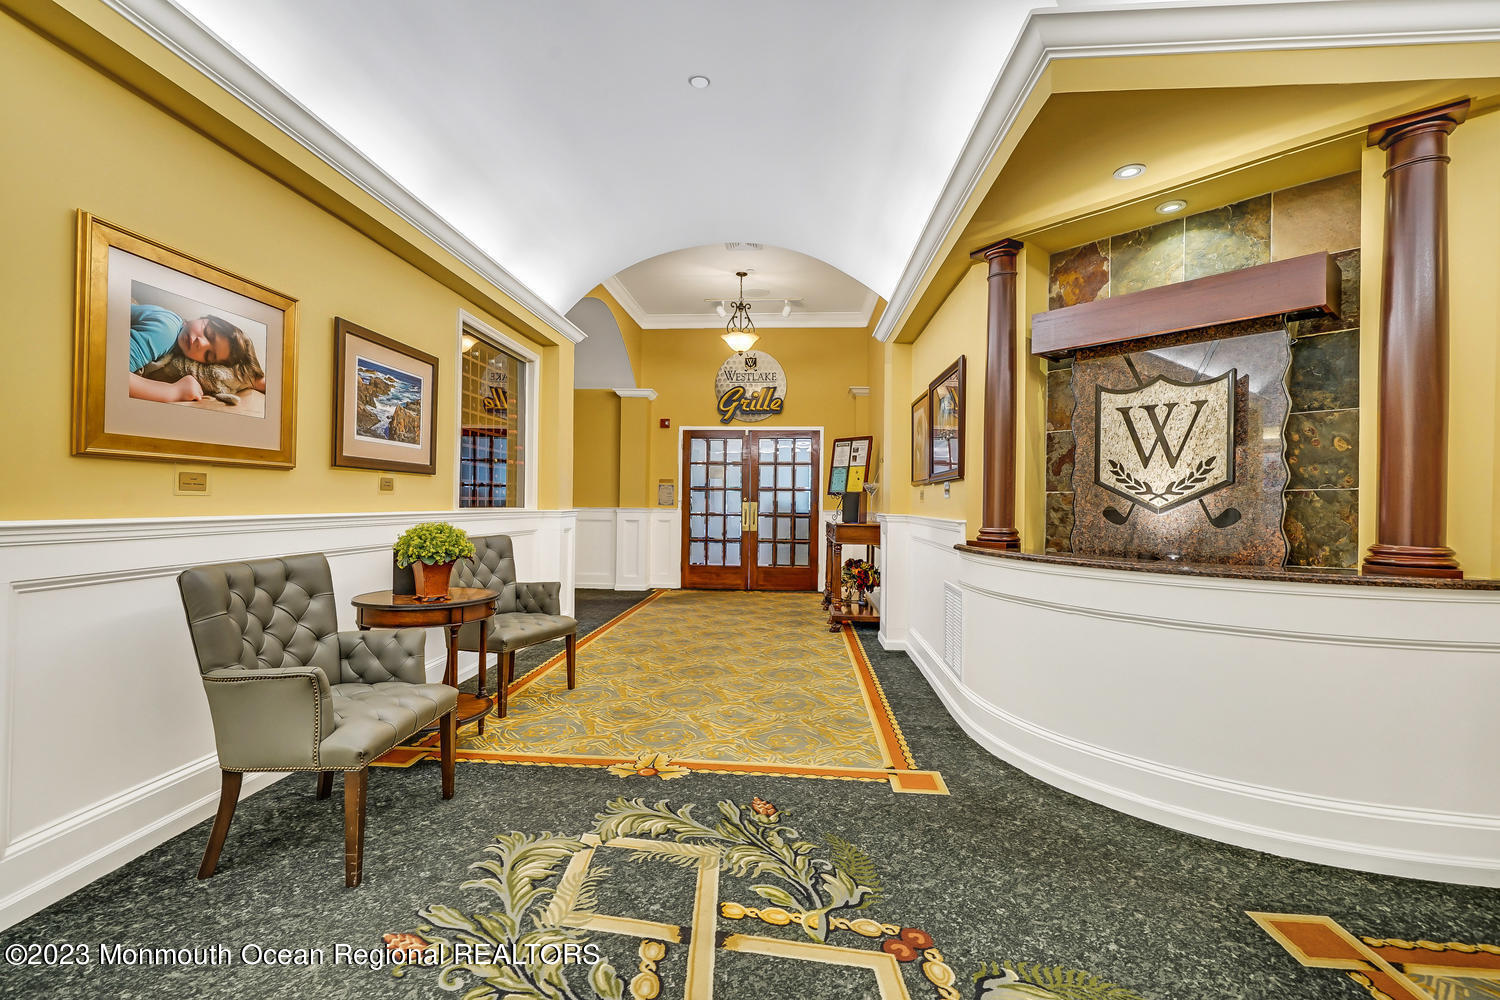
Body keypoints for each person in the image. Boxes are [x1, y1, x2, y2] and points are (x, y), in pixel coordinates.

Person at [127, 304, 266, 402]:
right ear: (204, 318)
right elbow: (112, 373)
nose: (201, 344)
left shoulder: (177, 341)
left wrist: (254, 380)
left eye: (208, 355)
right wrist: (174, 391)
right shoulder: (166, 330)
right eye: (208, 333)